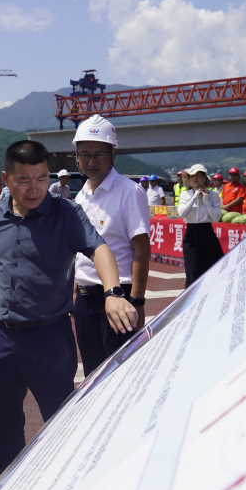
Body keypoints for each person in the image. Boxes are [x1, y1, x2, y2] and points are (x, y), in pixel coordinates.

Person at [0, 140, 135, 474]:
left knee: (61, 422)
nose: (35, 188)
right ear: (6, 178)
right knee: (2, 421)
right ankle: (8, 487)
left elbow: (100, 250)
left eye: (41, 178)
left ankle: (68, 487)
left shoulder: (66, 212)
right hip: (1, 335)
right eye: (24, 179)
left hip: (50, 337)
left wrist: (113, 291)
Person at [72, 115, 150, 378]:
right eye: (85, 154)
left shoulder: (129, 192)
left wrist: (137, 301)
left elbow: (141, 248)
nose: (91, 161)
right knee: (93, 374)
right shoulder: (81, 195)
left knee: (121, 374)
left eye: (99, 154)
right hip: (85, 299)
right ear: (76, 156)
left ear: (113, 153)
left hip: (120, 296)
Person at [177, 164, 224, 287]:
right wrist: (194, 197)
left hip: (207, 233)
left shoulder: (213, 195)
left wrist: (207, 201)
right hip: (190, 234)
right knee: (192, 272)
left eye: (198, 175)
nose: (195, 178)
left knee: (213, 269)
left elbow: (216, 218)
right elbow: (182, 213)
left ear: (204, 178)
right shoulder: (185, 194)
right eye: (192, 176)